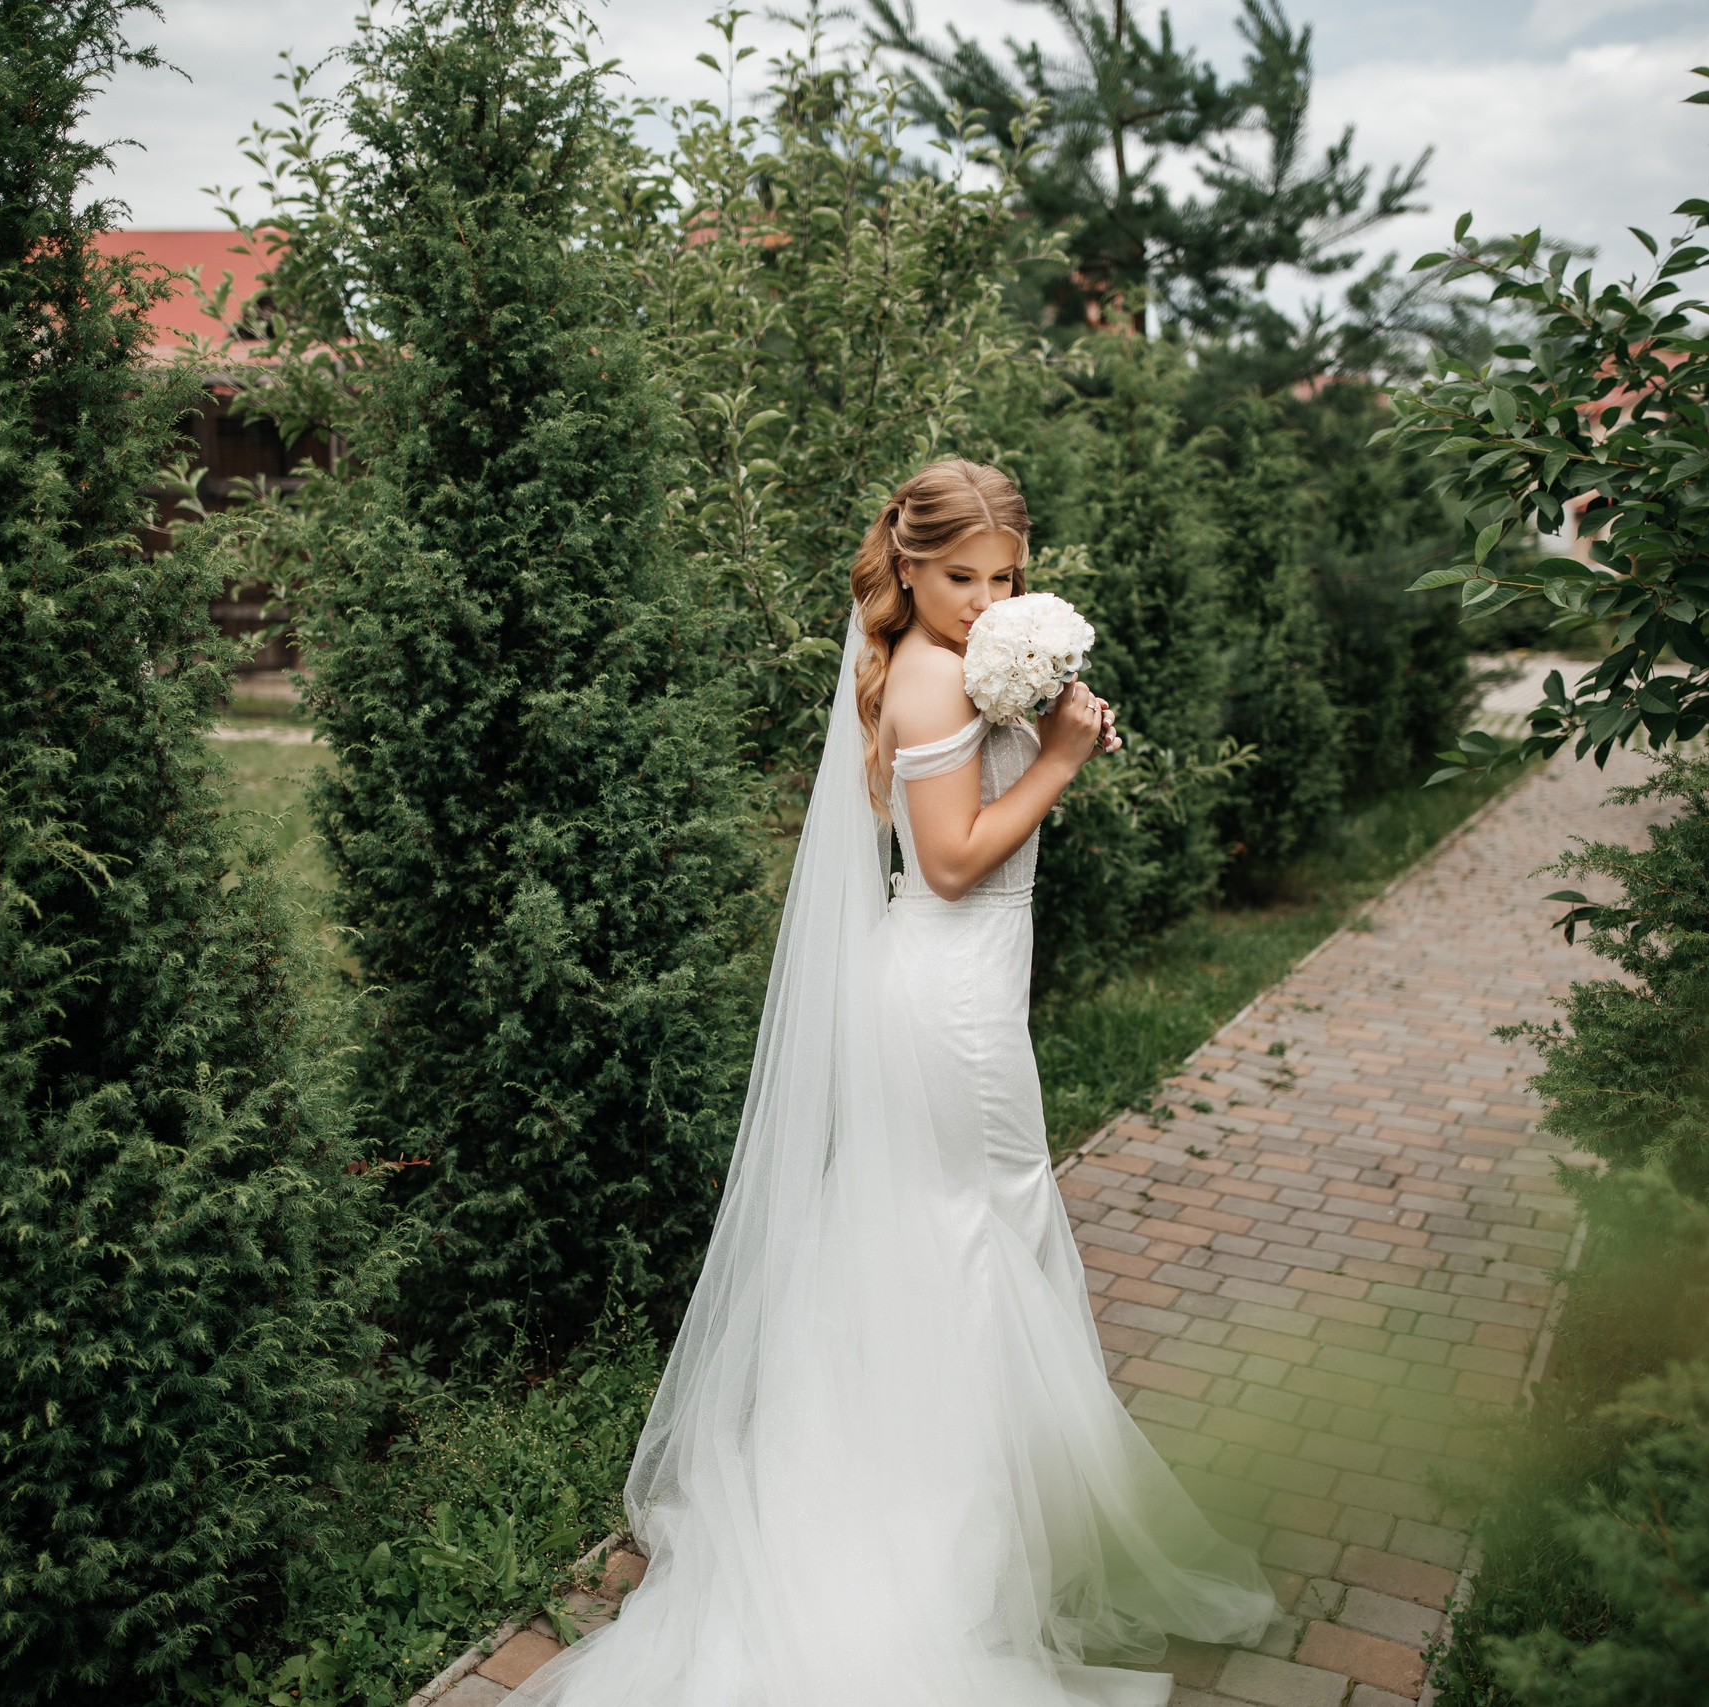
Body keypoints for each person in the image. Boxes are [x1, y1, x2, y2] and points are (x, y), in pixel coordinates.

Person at [513, 460, 1279, 1707]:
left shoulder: (945, 663)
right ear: (907, 566)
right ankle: (948, 1566)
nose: (984, 602)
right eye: (960, 576)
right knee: (978, 1239)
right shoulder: (926, 673)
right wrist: (1065, 755)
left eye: (1004, 580)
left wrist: (1039, 717)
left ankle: (944, 1519)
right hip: (951, 1005)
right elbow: (955, 860)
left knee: (938, 1240)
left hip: (954, 993)